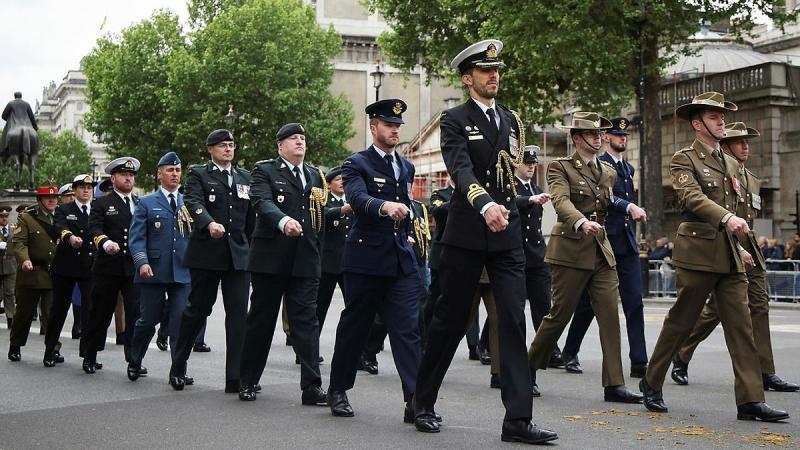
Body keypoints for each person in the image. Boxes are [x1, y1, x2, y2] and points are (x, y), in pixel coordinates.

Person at [412, 40, 557, 444]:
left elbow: (509, 176)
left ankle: (517, 421)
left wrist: (513, 204)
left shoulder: (510, 121)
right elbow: (460, 169)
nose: (494, 76)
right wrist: (484, 204)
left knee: (511, 320)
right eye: (485, 71)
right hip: (467, 233)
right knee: (450, 321)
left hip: (506, 236)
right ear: (467, 77)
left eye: (497, 71)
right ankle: (421, 402)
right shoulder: (454, 119)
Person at [639, 92, 789, 422]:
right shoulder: (684, 159)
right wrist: (725, 218)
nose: (721, 120)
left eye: (722, 115)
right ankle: (651, 381)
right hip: (698, 252)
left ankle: (750, 400)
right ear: (697, 123)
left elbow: (739, 210)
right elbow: (692, 198)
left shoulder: (731, 163)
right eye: (713, 116)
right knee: (681, 321)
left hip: (730, 255)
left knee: (741, 326)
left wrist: (740, 247)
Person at [669, 122, 798, 393]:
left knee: (759, 305)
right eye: (739, 141)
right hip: (721, 244)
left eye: (747, 141)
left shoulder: (750, 178)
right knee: (715, 310)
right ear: (725, 146)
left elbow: (749, 215)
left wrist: (748, 247)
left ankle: (765, 371)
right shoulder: (715, 170)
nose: (746, 146)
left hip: (747, 244)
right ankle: (682, 352)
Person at [528, 112, 643, 405]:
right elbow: (561, 200)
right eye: (593, 134)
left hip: (600, 250)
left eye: (600, 134)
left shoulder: (608, 171)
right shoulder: (560, 167)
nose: (599, 138)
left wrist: (628, 207)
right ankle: (526, 369)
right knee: (559, 316)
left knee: (609, 314)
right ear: (577, 138)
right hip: (571, 248)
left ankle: (614, 383)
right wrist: (581, 222)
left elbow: (608, 200)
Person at [326, 99, 423, 422]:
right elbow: (355, 197)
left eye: (397, 126)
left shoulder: (406, 167)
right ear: (373, 127)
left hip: (399, 258)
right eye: (388, 125)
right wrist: (383, 207)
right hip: (365, 258)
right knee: (356, 326)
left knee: (408, 330)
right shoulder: (357, 163)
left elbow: (406, 205)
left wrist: (406, 232)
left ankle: (416, 401)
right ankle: (338, 390)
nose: (394, 130)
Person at [237, 123, 327, 406]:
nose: (300, 142)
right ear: (280, 146)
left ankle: (312, 386)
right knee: (261, 322)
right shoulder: (264, 170)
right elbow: (261, 202)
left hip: (305, 260)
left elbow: (318, 214)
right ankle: (248, 380)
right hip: (270, 259)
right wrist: (283, 221)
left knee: (307, 324)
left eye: (302, 138)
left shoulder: (315, 175)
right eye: (293, 139)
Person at [560, 117, 649, 379]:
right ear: (607, 138)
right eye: (617, 135)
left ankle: (639, 361)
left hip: (626, 241)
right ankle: (570, 350)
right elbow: (608, 200)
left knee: (635, 302)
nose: (623, 139)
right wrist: (628, 206)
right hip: (603, 241)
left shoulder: (628, 168)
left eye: (625, 135)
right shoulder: (599, 166)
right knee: (587, 303)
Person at [169, 129, 252, 392]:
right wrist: (208, 223)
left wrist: (249, 248)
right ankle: (178, 365)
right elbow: (192, 202)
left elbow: (250, 216)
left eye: (231, 145)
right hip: (207, 253)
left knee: (238, 315)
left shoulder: (244, 177)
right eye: (222, 145)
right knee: (197, 311)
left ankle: (235, 377)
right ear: (211, 149)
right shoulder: (199, 174)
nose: (228, 149)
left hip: (237, 256)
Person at [127, 152, 194, 382]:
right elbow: (136, 238)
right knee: (148, 321)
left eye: (177, 170)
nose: (174, 174)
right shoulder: (146, 203)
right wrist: (142, 262)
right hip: (153, 271)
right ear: (159, 173)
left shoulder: (189, 202)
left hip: (182, 271)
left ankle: (178, 370)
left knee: (179, 323)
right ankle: (135, 360)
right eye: (169, 170)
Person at [81, 157, 141, 373]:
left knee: (135, 314)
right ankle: (90, 354)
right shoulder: (101, 203)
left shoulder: (139, 203)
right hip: (108, 267)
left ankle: (134, 359)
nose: (128, 178)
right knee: (100, 313)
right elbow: (94, 229)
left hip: (133, 267)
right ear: (113, 178)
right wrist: (105, 242)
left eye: (131, 175)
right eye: (124, 175)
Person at [514, 145, 562, 382]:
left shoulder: (537, 188)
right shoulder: (510, 186)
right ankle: (488, 346)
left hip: (536, 255)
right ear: (516, 164)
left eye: (534, 164)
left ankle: (549, 350)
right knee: (513, 311)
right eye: (527, 163)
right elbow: (509, 203)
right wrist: (528, 200)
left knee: (543, 306)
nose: (531, 167)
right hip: (516, 255)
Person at [43, 175, 96, 367]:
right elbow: (59, 227)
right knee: (59, 310)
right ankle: (50, 350)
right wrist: (70, 238)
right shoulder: (64, 209)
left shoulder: (97, 210)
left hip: (89, 268)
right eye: (82, 187)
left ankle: (88, 354)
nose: (86, 190)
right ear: (74, 190)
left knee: (90, 311)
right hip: (66, 267)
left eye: (89, 187)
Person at [7, 183, 59, 362]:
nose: (52, 200)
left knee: (52, 314)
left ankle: (52, 348)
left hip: (53, 273)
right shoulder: (26, 218)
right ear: (39, 200)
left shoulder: (61, 218)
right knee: (24, 313)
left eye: (54, 197)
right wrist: (24, 259)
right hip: (32, 272)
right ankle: (16, 344)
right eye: (47, 197)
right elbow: (19, 243)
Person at [316, 165, 353, 337]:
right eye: (338, 179)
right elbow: (323, 214)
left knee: (354, 307)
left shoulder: (353, 200)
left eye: (345, 179)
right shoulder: (323, 200)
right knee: (319, 308)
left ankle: (358, 354)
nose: (342, 183)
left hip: (349, 264)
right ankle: (308, 351)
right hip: (327, 263)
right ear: (329, 183)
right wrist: (341, 210)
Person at [0, 205, 16, 329]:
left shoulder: (14, 229)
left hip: (10, 266)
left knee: (10, 293)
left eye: (6, 216)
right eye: (1, 216)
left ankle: (10, 318)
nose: (4, 219)